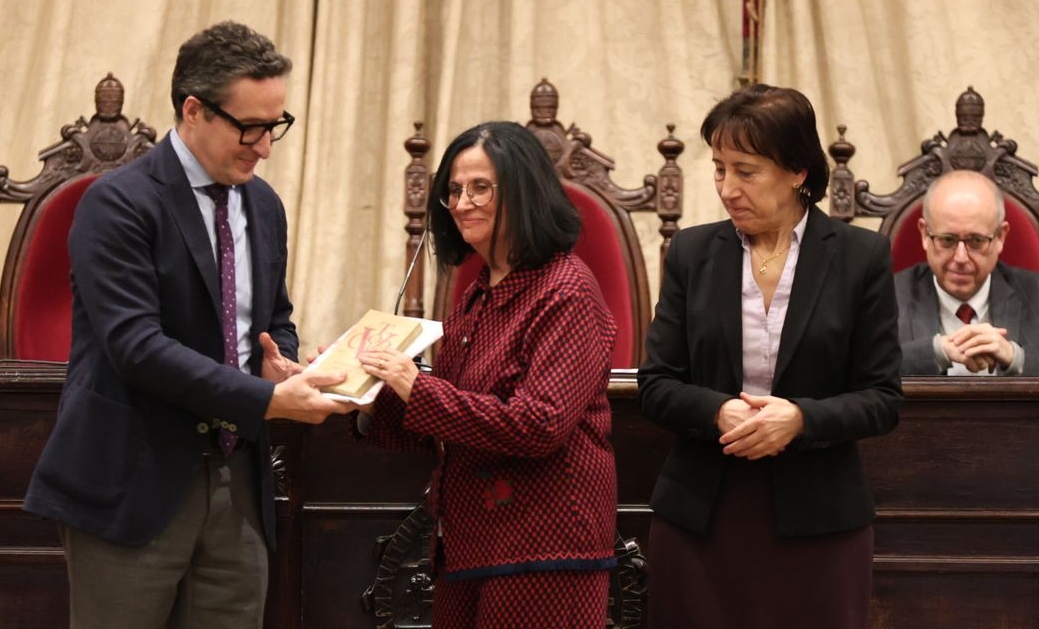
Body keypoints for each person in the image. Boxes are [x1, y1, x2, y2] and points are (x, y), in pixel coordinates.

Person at [24, 20, 353, 628]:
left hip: (239, 486)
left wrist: (277, 361)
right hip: (133, 481)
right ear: (194, 110)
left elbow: (272, 317)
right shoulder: (118, 202)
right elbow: (136, 347)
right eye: (249, 127)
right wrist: (266, 400)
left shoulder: (264, 205)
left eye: (275, 125)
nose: (265, 147)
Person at [636, 84, 903, 629]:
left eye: (746, 171)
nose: (727, 188)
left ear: (798, 171)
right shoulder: (691, 252)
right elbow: (657, 383)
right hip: (701, 513)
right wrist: (717, 411)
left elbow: (882, 398)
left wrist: (801, 419)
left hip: (820, 519)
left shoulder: (860, 257)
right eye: (719, 169)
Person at [356, 121, 618, 628]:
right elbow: (447, 421)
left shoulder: (566, 289)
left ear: (523, 193)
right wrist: (364, 392)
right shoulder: (477, 294)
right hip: (469, 540)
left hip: (546, 546)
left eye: (480, 187)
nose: (461, 203)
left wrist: (415, 386)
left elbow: (539, 424)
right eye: (454, 190)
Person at [896, 169, 1039, 375]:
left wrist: (1015, 358)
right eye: (947, 240)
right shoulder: (886, 297)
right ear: (925, 235)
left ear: (1000, 237)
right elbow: (861, 373)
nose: (961, 258)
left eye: (976, 241)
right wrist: (936, 352)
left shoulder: (1035, 293)